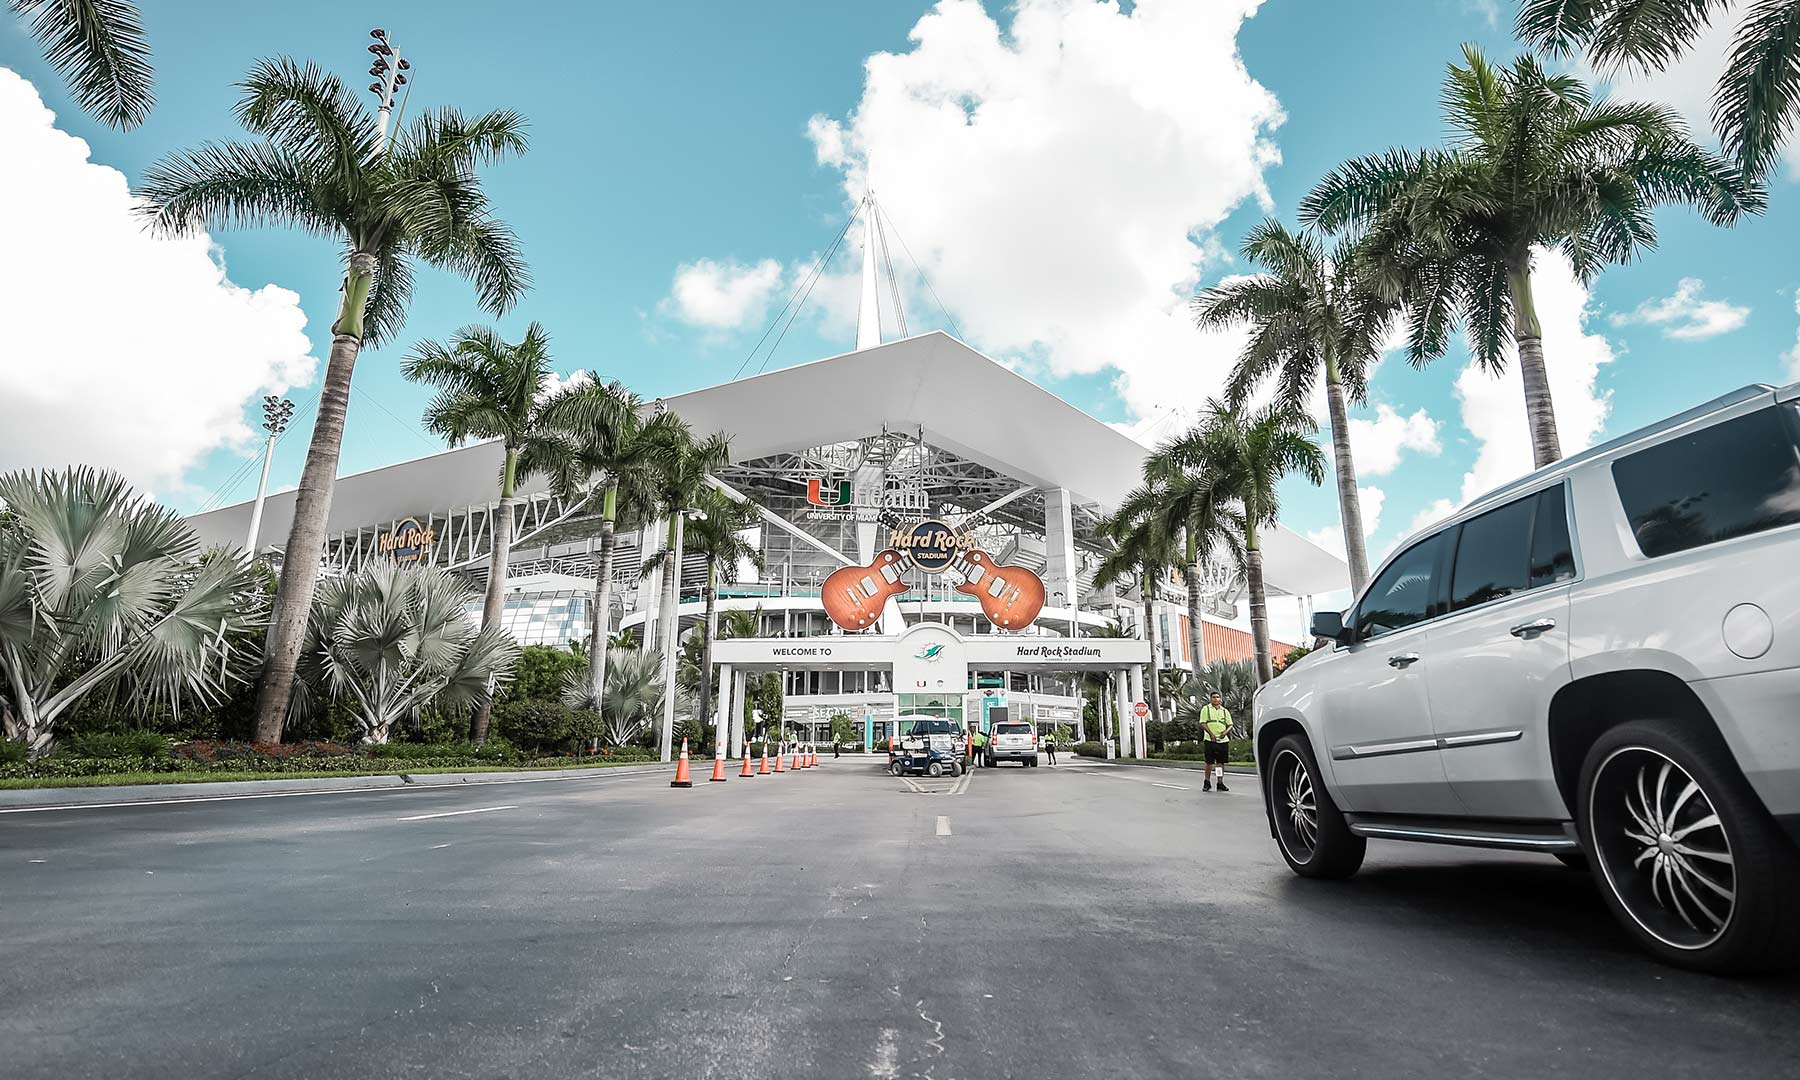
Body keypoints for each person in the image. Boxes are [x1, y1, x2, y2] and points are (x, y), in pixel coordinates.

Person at [1199, 691, 1232, 793]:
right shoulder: (1206, 709)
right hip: (1210, 740)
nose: (1216, 699)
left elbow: (1230, 724)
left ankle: (1220, 782)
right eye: (1214, 697)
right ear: (1211, 699)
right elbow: (1203, 723)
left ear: (1220, 699)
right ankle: (1207, 782)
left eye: (1217, 697)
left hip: (1222, 741)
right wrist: (1211, 734)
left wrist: (1225, 733)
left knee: (1220, 763)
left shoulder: (1224, 711)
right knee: (1209, 762)